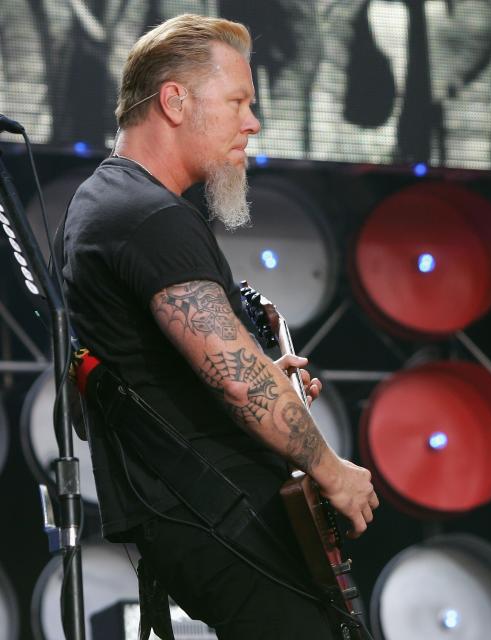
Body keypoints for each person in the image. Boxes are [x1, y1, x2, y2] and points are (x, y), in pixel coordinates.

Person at [59, 14, 378, 638]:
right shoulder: (146, 216)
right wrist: (333, 471)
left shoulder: (109, 204)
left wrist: (262, 372)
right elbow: (238, 385)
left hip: (194, 512)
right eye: (238, 101)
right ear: (175, 101)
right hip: (214, 512)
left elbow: (191, 370)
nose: (252, 122)